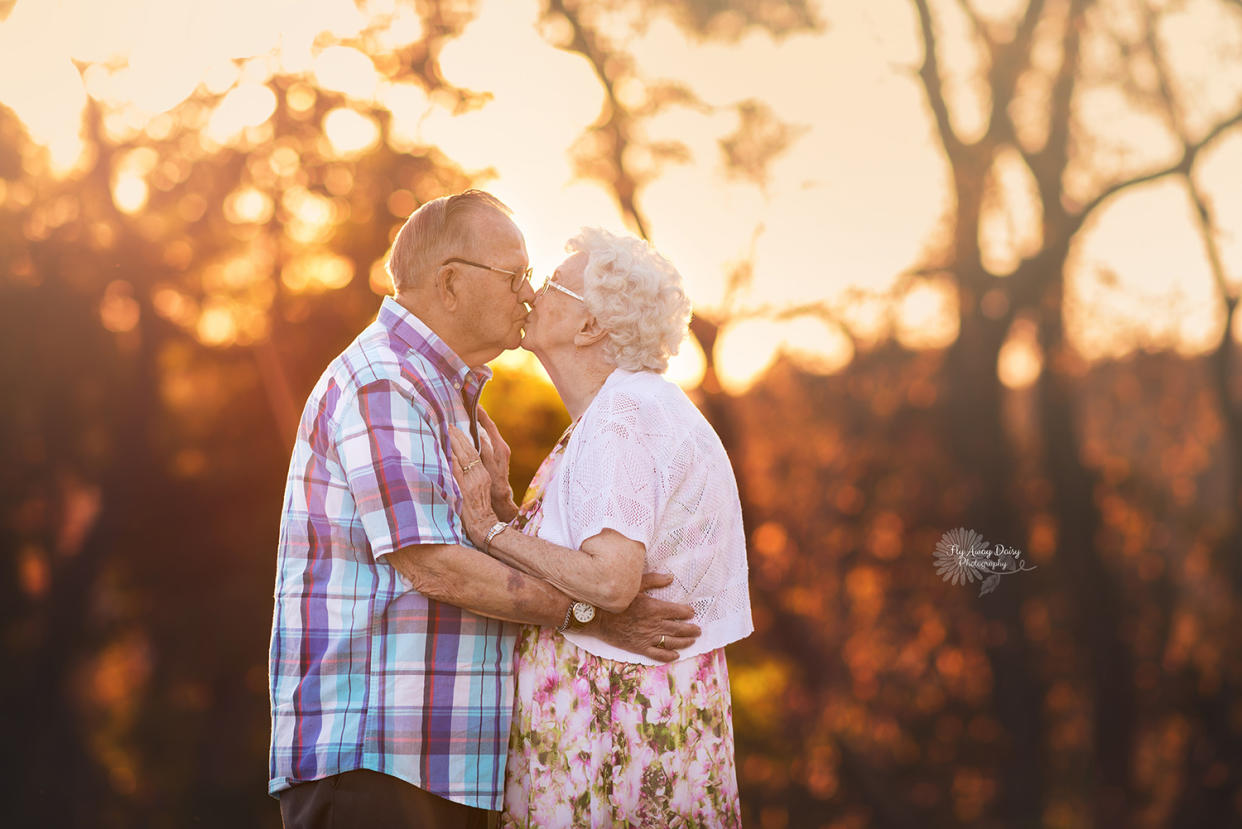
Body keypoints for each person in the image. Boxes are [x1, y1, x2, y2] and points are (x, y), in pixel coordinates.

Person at [268, 192, 701, 828]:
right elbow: (436, 567)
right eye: (515, 275)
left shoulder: (445, 391)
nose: (528, 294)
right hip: (376, 763)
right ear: (449, 282)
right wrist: (591, 616)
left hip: (436, 768)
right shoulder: (387, 380)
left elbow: (466, 549)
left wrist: (502, 513)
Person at [449, 226, 754, 828]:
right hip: (642, 708)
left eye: (554, 284)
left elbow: (612, 583)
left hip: (616, 720)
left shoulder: (621, 418)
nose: (532, 293)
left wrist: (489, 529)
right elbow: (585, 559)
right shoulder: (627, 410)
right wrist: (511, 507)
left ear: (591, 327)